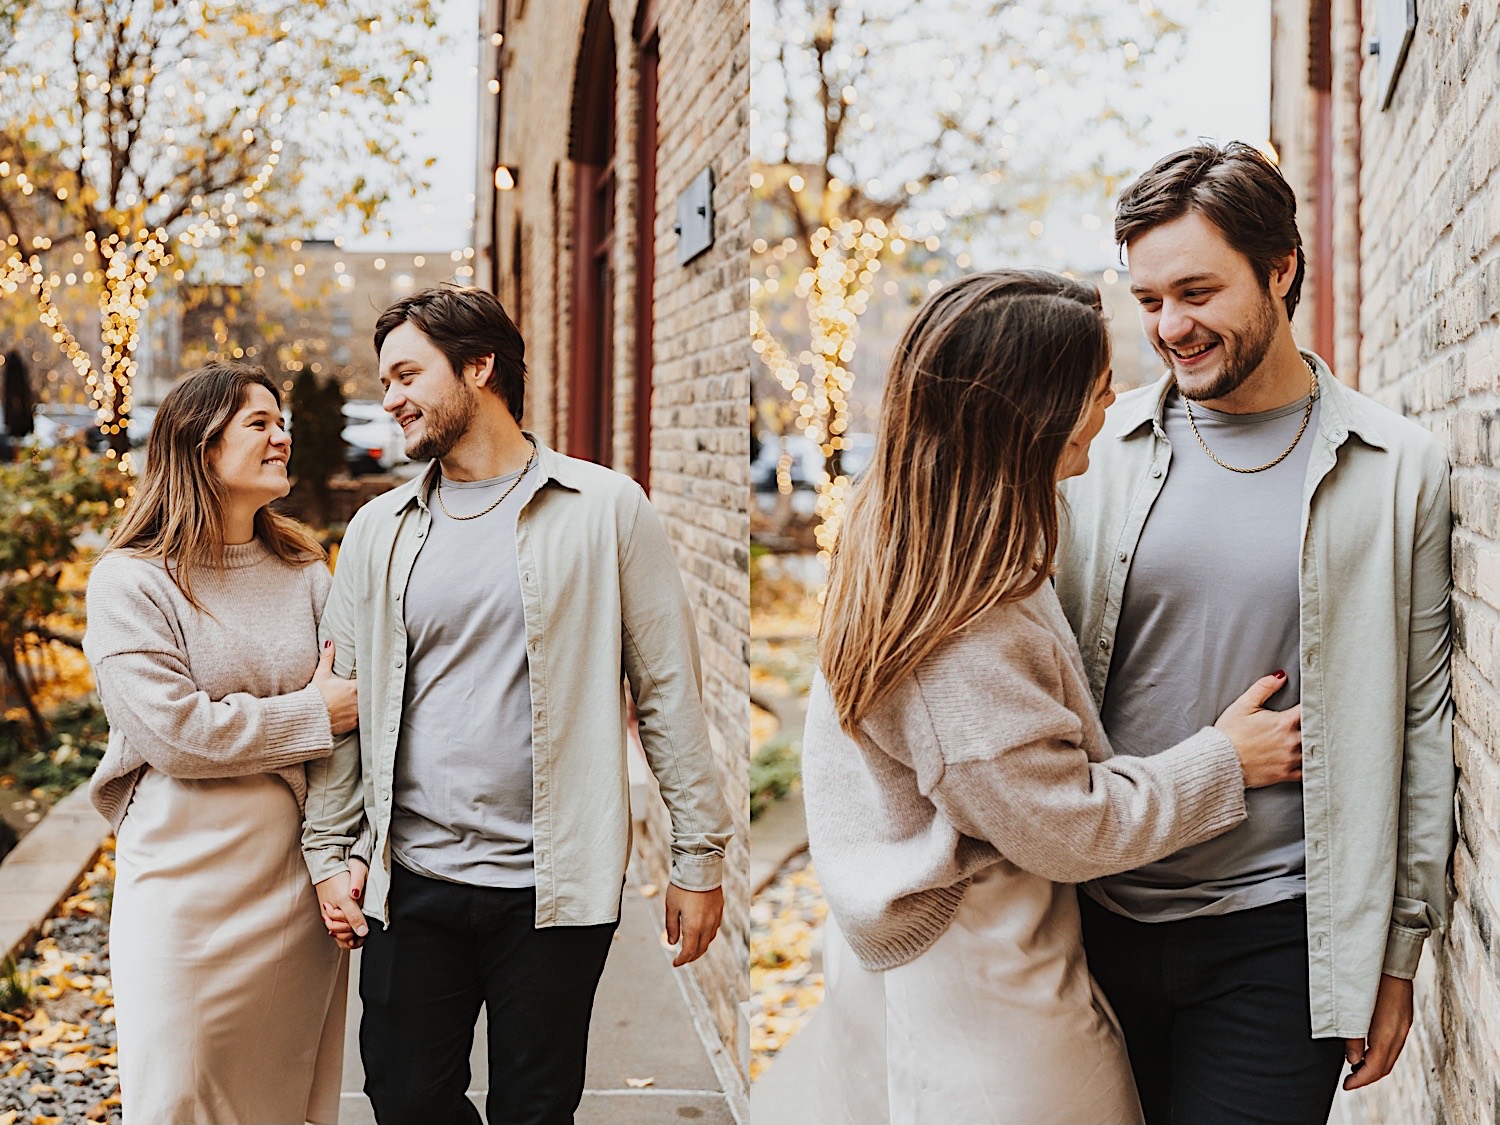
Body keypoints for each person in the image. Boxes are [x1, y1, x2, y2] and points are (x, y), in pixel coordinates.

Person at [801, 269, 1304, 1125]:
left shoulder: (918, 525)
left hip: (949, 950)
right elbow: (1064, 825)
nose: (1112, 410)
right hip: (981, 974)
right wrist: (1226, 759)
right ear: (1026, 411)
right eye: (1096, 392)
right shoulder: (962, 625)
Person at [1056, 142, 1456, 1125]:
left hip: (1278, 942)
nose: (1171, 327)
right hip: (1084, 925)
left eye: (1197, 290)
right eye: (1147, 300)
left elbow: (1421, 720)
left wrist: (1394, 956)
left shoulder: (1397, 466)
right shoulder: (1095, 453)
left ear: (1280, 268)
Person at [303, 284, 734, 1125]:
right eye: (384, 380)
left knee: (536, 1111)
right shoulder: (377, 529)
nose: (388, 398)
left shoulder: (607, 509)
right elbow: (343, 706)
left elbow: (670, 692)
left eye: (405, 375)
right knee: (406, 1098)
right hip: (410, 881)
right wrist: (332, 851)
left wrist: (699, 856)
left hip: (554, 889)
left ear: (479, 365)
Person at [83, 362, 359, 1125]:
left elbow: (354, 719)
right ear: (200, 446)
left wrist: (346, 855)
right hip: (183, 883)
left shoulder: (304, 572)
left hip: (293, 887)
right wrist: (310, 714)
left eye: (282, 421)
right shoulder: (130, 583)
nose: (283, 436)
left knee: (281, 1099)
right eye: (260, 422)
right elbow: (176, 735)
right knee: (177, 1094)